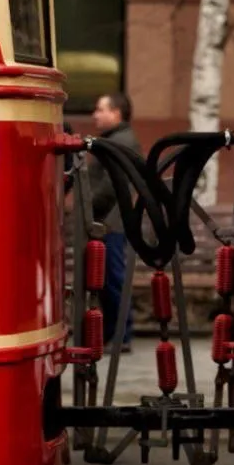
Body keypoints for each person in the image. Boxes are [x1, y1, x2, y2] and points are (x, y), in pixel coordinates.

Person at [87, 92, 141, 350]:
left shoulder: (119, 142)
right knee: (107, 279)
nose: (95, 115)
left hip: (110, 223)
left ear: (116, 113)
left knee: (112, 280)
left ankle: (120, 336)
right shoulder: (116, 140)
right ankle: (114, 334)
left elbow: (110, 187)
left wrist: (86, 206)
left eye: (101, 109)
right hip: (110, 221)